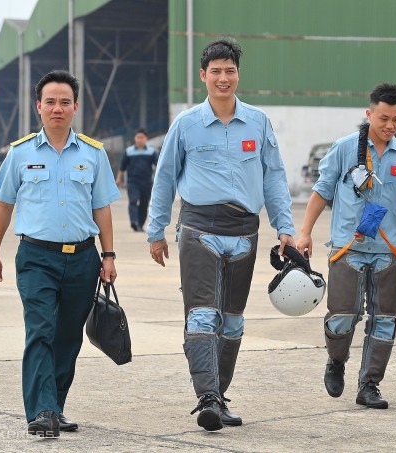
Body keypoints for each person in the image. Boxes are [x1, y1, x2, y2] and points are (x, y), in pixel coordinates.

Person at [147, 39, 296, 431]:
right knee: (201, 314)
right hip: (199, 229)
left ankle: (219, 395)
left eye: (229, 71)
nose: (223, 78)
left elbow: (275, 178)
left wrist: (286, 228)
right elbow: (164, 177)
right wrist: (155, 230)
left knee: (232, 322)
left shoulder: (258, 123)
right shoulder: (187, 123)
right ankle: (207, 396)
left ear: (237, 74)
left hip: (246, 233)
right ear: (203, 76)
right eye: (215, 71)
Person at [0, 69, 121, 437]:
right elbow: (3, 205)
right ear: (38, 107)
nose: (57, 108)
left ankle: (55, 407)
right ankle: (41, 410)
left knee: (67, 336)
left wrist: (108, 256)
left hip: (83, 258)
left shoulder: (93, 154)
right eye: (50, 102)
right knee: (40, 330)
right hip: (35, 258)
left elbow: (103, 208)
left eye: (64, 102)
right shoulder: (20, 153)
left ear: (75, 107)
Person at [297, 83, 396, 409]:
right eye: (384, 118)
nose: (390, 126)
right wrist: (305, 232)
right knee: (344, 315)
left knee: (385, 320)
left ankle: (370, 385)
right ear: (370, 113)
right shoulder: (345, 149)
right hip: (348, 249)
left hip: (388, 253)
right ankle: (336, 360)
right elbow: (322, 192)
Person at [116, 128, 158, 232]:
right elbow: (122, 167)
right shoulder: (129, 151)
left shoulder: (151, 151)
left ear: (146, 138)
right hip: (133, 182)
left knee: (144, 204)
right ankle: (134, 221)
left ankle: (140, 224)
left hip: (147, 182)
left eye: (142, 137)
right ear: (135, 138)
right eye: (138, 137)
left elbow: (158, 166)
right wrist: (118, 178)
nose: (139, 140)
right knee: (133, 201)